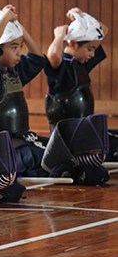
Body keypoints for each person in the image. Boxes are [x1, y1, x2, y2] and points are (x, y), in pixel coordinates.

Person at [0, 5, 48, 177]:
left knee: (58, 149)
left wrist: (20, 28)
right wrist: (6, 17)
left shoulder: (14, 72)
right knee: (45, 158)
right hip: (3, 147)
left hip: (22, 138)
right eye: (14, 47)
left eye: (20, 47)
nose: (19, 54)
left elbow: (38, 58)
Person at [44, 9, 117, 161]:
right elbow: (53, 54)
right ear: (72, 43)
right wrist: (59, 37)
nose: (92, 54)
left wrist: (83, 16)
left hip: (83, 131)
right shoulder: (62, 67)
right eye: (90, 49)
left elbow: (103, 30)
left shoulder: (81, 64)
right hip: (68, 140)